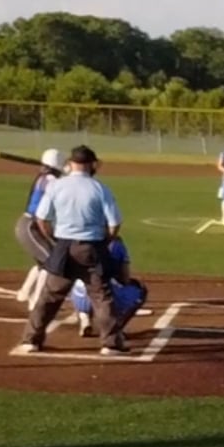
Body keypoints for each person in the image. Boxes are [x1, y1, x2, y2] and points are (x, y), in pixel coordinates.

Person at [21, 145, 128, 356]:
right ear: (91, 164)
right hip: (92, 247)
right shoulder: (100, 188)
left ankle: (31, 340)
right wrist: (105, 241)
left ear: (70, 164)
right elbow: (114, 223)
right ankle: (110, 343)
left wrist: (54, 238)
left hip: (64, 247)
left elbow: (42, 219)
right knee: (102, 297)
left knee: (50, 296)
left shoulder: (56, 186)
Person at [72, 234, 147, 337]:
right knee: (140, 290)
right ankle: (116, 328)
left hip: (79, 294)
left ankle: (84, 317)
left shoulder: (79, 240)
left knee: (78, 282)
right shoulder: (116, 245)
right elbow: (125, 278)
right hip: (101, 294)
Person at [13, 148, 62, 305]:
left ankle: (24, 293)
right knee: (50, 263)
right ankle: (36, 301)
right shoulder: (50, 180)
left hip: (29, 225)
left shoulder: (44, 177)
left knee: (43, 262)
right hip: (30, 226)